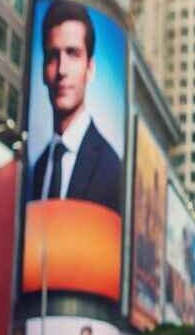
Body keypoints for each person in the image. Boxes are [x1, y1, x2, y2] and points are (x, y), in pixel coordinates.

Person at [31, 0, 121, 212]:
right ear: (44, 70)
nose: (62, 70)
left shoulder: (111, 168)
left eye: (73, 54)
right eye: (53, 56)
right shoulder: (38, 167)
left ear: (90, 68)